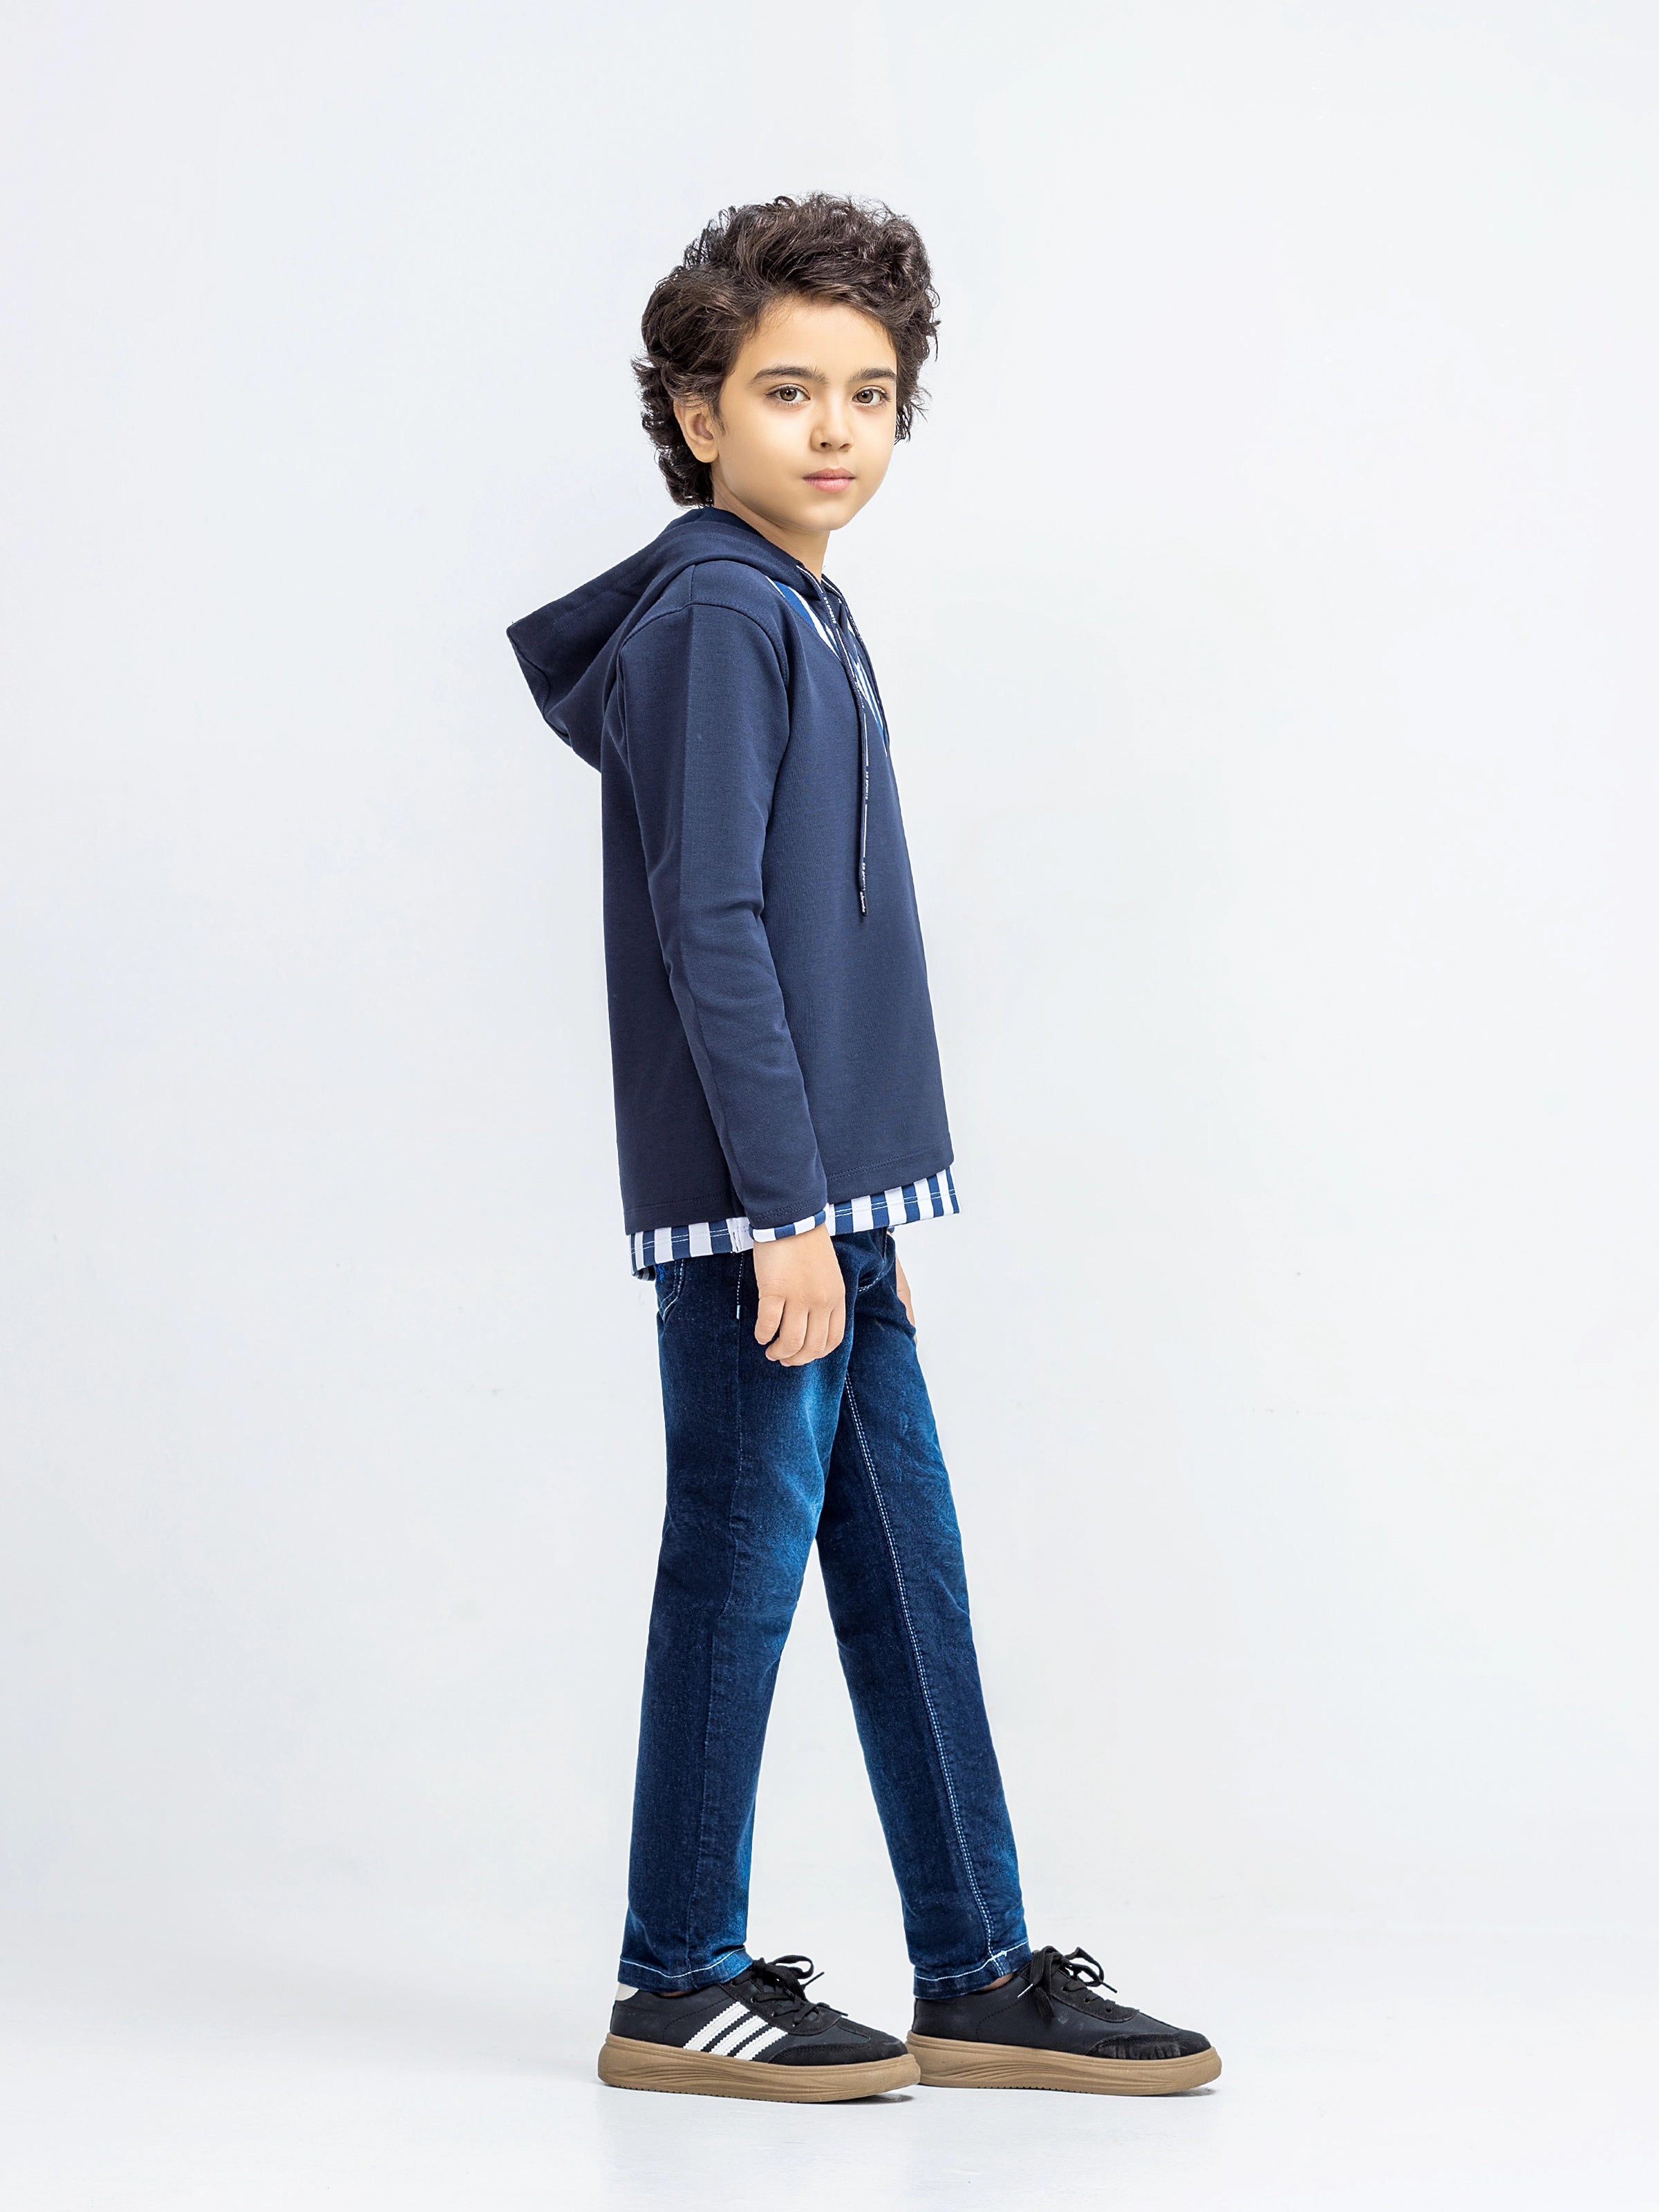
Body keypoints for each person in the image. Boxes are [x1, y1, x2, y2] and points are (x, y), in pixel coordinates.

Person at [507, 194, 1220, 2104]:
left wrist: (843, 1214)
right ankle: (675, 1978)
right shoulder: (719, 616)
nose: (836, 428)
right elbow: (712, 925)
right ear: (695, 412)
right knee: (737, 1576)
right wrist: (784, 1214)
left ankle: (975, 1968)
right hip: (776, 1215)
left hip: (835, 1209)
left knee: (910, 1576)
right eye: (787, 390)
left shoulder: (796, 601)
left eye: (873, 394)